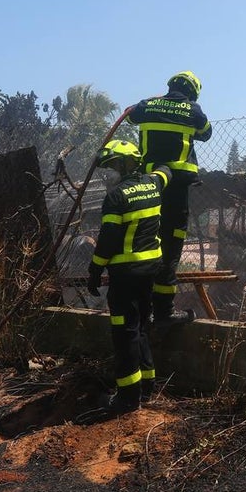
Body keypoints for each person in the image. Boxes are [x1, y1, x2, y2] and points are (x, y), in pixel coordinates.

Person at [86, 139, 171, 416]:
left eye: (110, 167)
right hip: (150, 272)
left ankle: (127, 399)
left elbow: (108, 240)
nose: (106, 174)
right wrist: (163, 163)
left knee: (124, 334)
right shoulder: (152, 185)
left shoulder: (116, 197)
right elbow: (165, 173)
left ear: (125, 165)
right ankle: (147, 388)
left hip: (124, 277)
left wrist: (95, 269)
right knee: (141, 327)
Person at [126, 71, 212, 324]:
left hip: (146, 188)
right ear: (193, 91)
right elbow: (205, 133)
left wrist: (154, 105)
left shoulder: (147, 105)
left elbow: (131, 117)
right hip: (175, 191)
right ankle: (163, 312)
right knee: (170, 247)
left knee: (143, 243)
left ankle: (139, 308)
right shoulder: (193, 111)